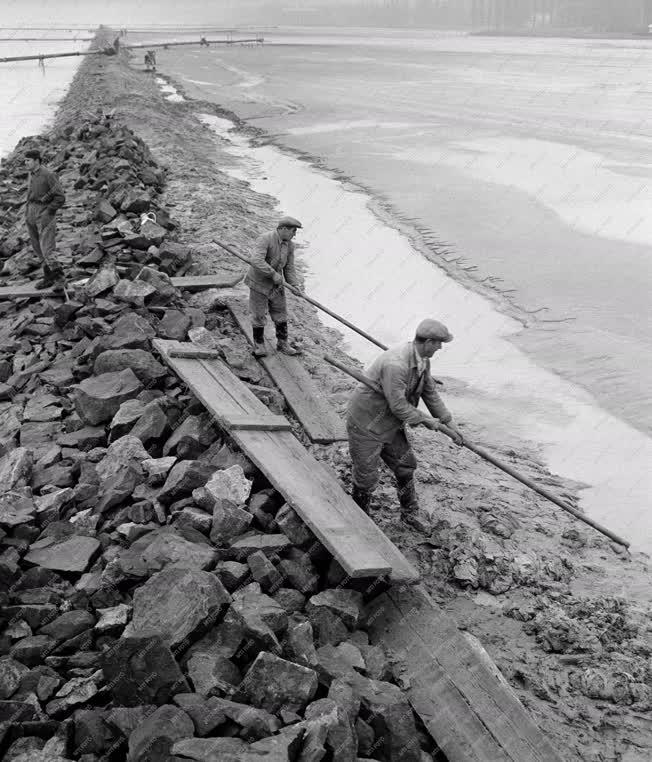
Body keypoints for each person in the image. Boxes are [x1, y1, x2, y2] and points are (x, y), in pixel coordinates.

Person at [346, 318, 464, 529]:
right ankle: (360, 520)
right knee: (366, 476)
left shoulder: (422, 361)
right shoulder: (396, 365)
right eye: (438, 343)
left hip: (390, 423)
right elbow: (399, 406)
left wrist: (448, 422)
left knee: (405, 465)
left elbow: (430, 392)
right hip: (367, 422)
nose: (440, 348)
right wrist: (429, 421)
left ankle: (409, 512)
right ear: (428, 342)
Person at [245, 216, 303, 357]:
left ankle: (282, 344)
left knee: (280, 314)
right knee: (258, 315)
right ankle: (259, 346)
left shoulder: (290, 245)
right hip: (259, 283)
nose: (294, 234)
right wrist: (272, 274)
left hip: (276, 286)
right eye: (293, 231)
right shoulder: (265, 239)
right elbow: (256, 261)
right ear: (283, 229)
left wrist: (294, 284)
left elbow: (289, 267)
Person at [23, 149, 66, 289]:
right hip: (31, 214)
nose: (26, 162)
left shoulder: (47, 174)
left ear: (36, 161)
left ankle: (60, 278)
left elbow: (60, 197)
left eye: (28, 160)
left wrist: (49, 211)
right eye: (25, 160)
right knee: (37, 248)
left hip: (44, 216)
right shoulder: (32, 174)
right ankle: (48, 277)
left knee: (47, 248)